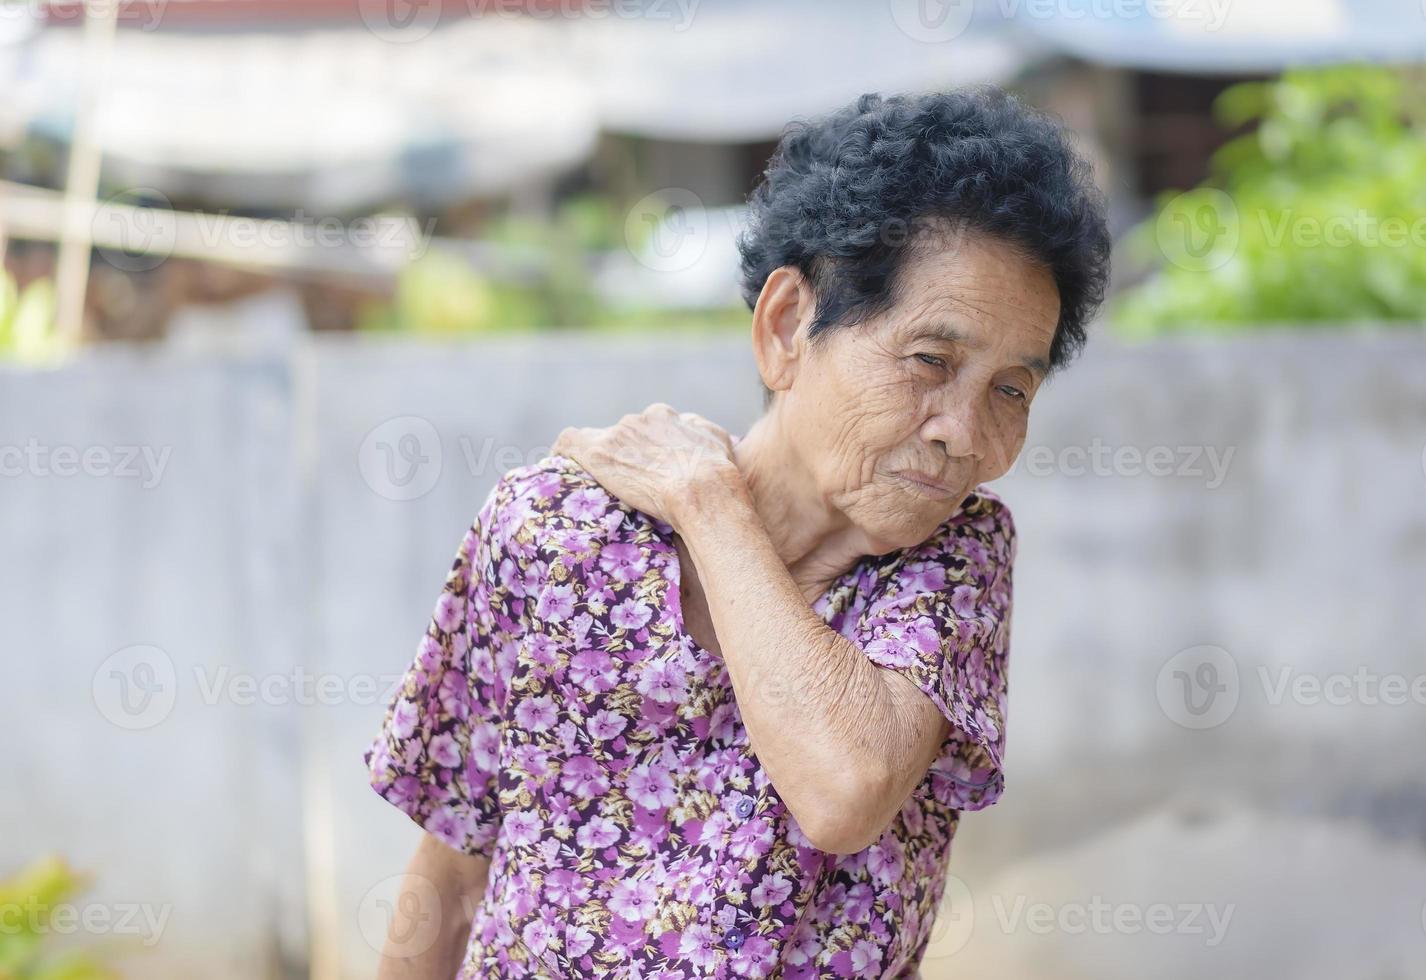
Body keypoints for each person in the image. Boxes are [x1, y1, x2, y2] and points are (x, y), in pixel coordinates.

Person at [365, 84, 1110, 979]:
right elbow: (451, 867)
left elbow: (845, 789)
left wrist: (711, 505)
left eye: (1010, 390)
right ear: (788, 326)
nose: (963, 433)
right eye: (929, 361)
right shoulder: (552, 532)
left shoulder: (951, 561)